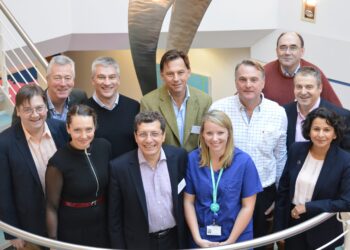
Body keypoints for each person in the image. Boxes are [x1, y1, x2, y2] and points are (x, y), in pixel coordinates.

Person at [210, 59, 287, 249]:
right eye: (242, 79)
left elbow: (280, 157)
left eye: (254, 79)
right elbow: (209, 152)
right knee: (226, 243)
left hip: (263, 193)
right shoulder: (218, 109)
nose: (248, 84)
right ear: (235, 82)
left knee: (259, 244)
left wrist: (277, 197)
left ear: (263, 82)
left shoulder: (277, 112)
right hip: (226, 192)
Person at [0, 84, 68, 250]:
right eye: (28, 109)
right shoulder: (4, 143)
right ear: (18, 111)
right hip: (30, 228)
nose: (35, 115)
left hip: (67, 219)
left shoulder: (61, 129)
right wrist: (13, 232)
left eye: (39, 108)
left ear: (46, 107)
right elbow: (3, 190)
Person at [109, 111, 188, 249]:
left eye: (154, 134)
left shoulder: (179, 157)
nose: (149, 140)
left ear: (163, 136)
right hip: (139, 243)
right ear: (135, 136)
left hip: (175, 240)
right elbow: (114, 219)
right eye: (143, 134)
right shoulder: (119, 168)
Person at [184, 110, 262, 248]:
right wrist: (197, 238)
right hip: (201, 237)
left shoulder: (244, 162)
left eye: (220, 133)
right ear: (202, 134)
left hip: (237, 238)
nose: (215, 139)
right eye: (209, 133)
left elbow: (248, 206)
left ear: (229, 133)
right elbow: (189, 201)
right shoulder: (193, 159)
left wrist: (230, 241)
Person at [275, 107, 350, 249]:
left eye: (327, 130)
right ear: (309, 131)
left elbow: (346, 202)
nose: (321, 134)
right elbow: (283, 192)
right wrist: (279, 230)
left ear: (335, 134)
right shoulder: (296, 149)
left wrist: (308, 207)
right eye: (316, 129)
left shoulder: (345, 161)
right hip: (293, 225)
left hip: (324, 231)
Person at [46, 104, 111, 247]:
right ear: (68, 128)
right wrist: (53, 242)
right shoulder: (57, 163)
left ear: (95, 127)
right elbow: (51, 206)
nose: (83, 136)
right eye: (77, 130)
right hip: (73, 228)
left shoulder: (104, 147)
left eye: (89, 129)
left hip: (103, 223)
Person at [140, 49, 212, 152]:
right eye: (170, 74)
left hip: (196, 163)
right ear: (162, 75)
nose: (176, 78)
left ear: (188, 72)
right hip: (164, 163)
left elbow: (207, 138)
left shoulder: (205, 101)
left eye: (180, 72)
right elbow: (147, 140)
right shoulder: (148, 102)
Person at [263, 31, 342, 107]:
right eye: (283, 48)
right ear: (277, 51)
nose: (287, 52)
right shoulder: (265, 72)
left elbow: (337, 109)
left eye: (293, 48)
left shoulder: (314, 73)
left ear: (302, 51)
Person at [284, 66, 350, 151]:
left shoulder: (342, 116)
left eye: (309, 87)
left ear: (320, 88)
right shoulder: (283, 112)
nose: (303, 92)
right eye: (299, 87)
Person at [85, 56, 140, 158]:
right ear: (93, 80)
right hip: (97, 173)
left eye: (112, 77)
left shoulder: (134, 107)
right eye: (101, 77)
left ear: (118, 79)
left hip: (128, 172)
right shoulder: (82, 110)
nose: (107, 82)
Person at [12, 55, 87, 124]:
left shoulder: (80, 97)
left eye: (67, 78)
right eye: (57, 78)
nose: (63, 84)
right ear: (47, 79)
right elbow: (16, 136)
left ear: (73, 80)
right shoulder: (28, 104)